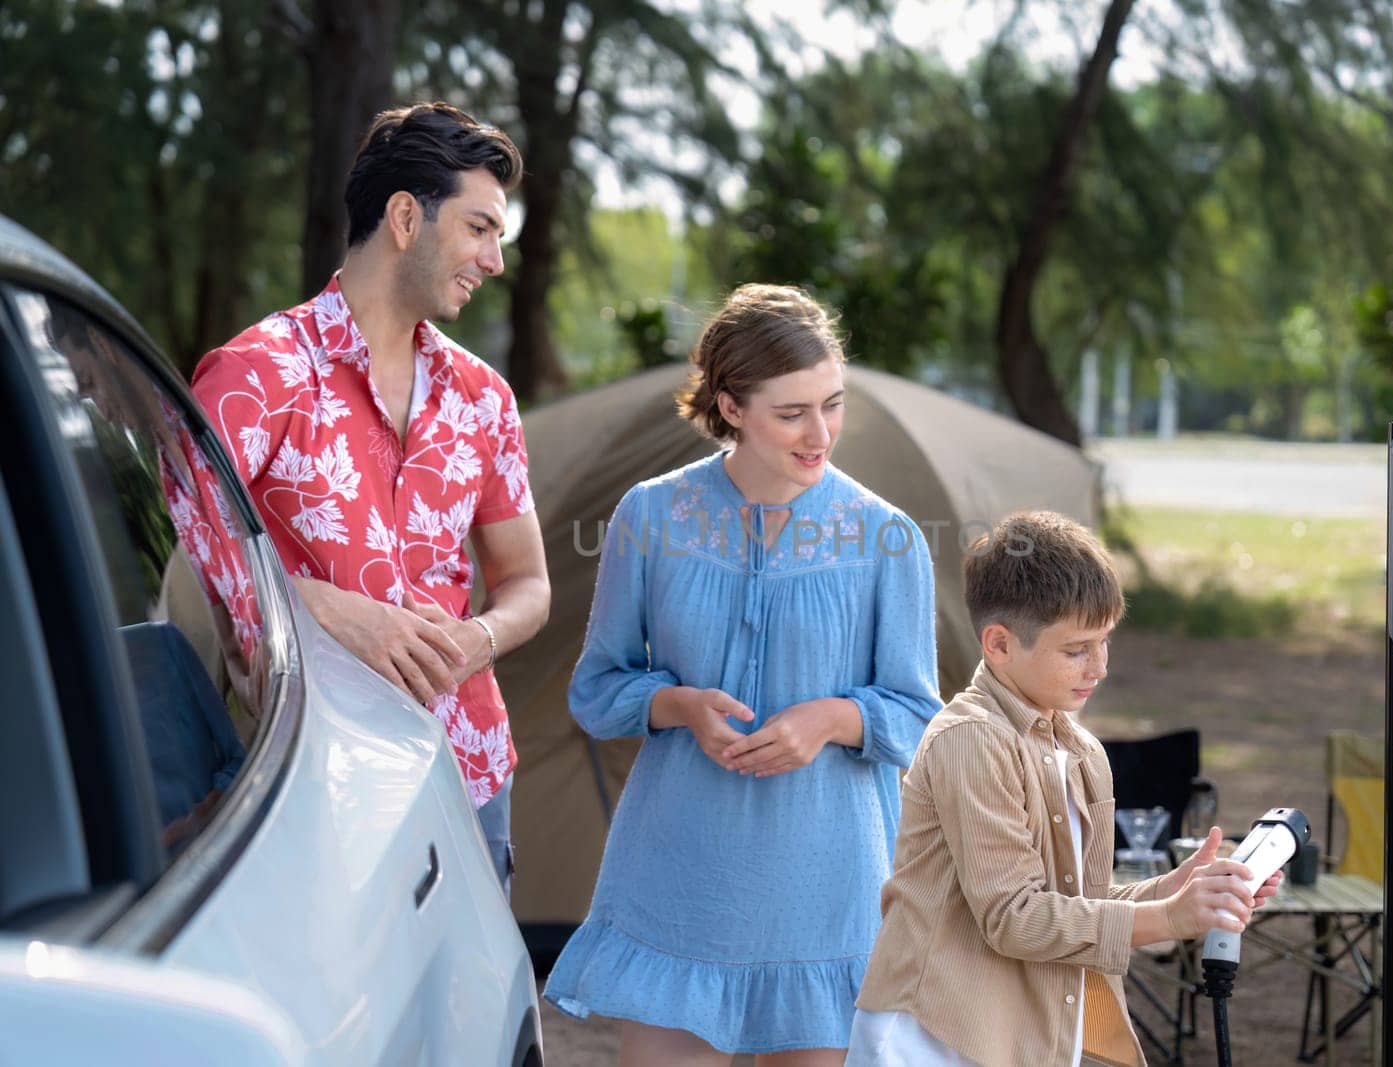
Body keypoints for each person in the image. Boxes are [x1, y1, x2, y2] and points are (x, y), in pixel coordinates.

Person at [543, 284, 942, 1065]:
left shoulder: (886, 537)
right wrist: (675, 703)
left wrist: (832, 718)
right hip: (681, 881)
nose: (819, 432)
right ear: (730, 406)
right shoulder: (649, 516)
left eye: (833, 403)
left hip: (827, 895)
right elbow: (596, 690)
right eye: (790, 412)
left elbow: (920, 714)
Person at [190, 102, 550, 895]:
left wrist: (476, 639)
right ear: (403, 217)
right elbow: (195, 559)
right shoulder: (257, 372)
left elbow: (529, 584)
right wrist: (323, 605)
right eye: (480, 228)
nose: (494, 260)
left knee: (473, 1016)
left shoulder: (484, 398)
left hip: (473, 767)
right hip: (320, 777)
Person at [848, 512, 1282, 1067]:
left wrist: (1173, 892)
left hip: (1024, 1037)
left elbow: (1077, 908)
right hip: (933, 1038)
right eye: (1077, 649)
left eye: (1105, 642)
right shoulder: (972, 740)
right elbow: (1014, 917)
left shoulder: (1082, 751)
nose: (1098, 667)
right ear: (999, 644)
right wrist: (1170, 919)